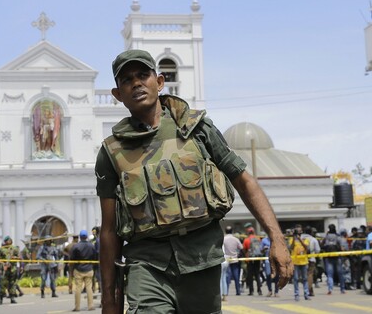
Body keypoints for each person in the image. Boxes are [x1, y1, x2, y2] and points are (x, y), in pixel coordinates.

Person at [95, 49, 293, 314]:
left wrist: (277, 239)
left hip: (201, 262)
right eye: (127, 80)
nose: (136, 83)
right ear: (118, 94)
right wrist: (109, 298)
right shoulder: (111, 152)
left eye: (143, 75)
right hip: (147, 265)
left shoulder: (197, 129)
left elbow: (244, 181)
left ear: (160, 81)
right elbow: (108, 230)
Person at [70, 230, 97, 312]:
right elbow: (95, 257)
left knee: (78, 288)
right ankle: (91, 305)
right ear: (86, 237)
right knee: (89, 288)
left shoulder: (76, 246)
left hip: (78, 269)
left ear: (80, 237)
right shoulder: (91, 246)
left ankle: (77, 307)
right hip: (89, 268)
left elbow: (72, 258)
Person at [320, 224, 345, 295]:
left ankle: (330, 289)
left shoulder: (326, 236)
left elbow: (321, 245)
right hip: (337, 257)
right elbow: (342, 247)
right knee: (340, 274)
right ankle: (342, 289)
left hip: (328, 257)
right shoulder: (338, 236)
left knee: (330, 275)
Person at [288, 224, 310, 301]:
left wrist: (300, 239)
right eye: (297, 230)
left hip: (304, 261)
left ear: (302, 231)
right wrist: (294, 238)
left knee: (305, 279)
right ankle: (296, 294)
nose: (298, 231)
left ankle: (306, 294)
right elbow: (291, 248)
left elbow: (306, 247)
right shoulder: (291, 239)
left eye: (299, 230)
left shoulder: (305, 239)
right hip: (295, 262)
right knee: (296, 279)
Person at [0, 236, 20, 305]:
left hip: (13, 269)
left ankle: (12, 298)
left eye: (10, 240)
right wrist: (3, 263)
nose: (9, 241)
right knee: (3, 283)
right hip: (5, 269)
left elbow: (20, 257)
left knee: (13, 283)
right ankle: (1, 298)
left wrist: (14, 258)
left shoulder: (15, 248)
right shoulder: (1, 249)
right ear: (5, 241)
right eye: (8, 240)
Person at [242, 226, 263, 296]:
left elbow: (244, 249)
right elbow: (260, 248)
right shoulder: (258, 238)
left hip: (250, 259)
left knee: (250, 275)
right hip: (257, 258)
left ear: (248, 232)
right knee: (257, 274)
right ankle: (259, 290)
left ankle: (251, 291)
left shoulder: (246, 240)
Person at [223, 226, 243, 296]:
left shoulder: (224, 239)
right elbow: (241, 247)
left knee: (227, 276)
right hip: (235, 259)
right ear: (232, 231)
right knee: (236, 276)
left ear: (225, 231)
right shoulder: (235, 239)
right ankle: (238, 291)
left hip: (226, 259)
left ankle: (226, 292)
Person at [302, 226, 320, 296]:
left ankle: (307, 290)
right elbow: (317, 250)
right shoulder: (313, 239)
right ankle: (309, 290)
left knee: (303, 275)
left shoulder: (301, 238)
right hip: (311, 259)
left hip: (301, 259)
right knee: (310, 275)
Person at [261, 232, 279, 297]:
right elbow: (261, 250)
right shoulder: (264, 240)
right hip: (267, 261)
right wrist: (264, 249)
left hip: (276, 261)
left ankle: (276, 292)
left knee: (277, 276)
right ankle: (270, 290)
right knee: (268, 275)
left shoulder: (277, 241)